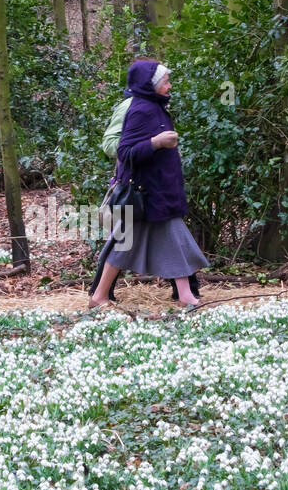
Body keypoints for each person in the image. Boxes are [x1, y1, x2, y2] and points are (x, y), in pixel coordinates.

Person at [88, 59, 208, 308]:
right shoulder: (141, 110)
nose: (170, 85)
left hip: (161, 192)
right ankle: (99, 296)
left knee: (173, 240)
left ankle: (186, 295)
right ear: (150, 84)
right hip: (146, 194)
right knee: (124, 246)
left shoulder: (156, 107)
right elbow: (125, 151)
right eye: (166, 81)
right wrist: (156, 142)